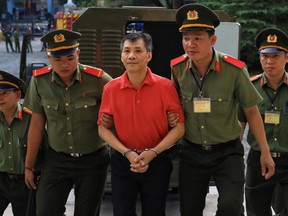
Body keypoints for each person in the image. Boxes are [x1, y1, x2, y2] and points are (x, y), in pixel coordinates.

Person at [170, 3, 275, 216]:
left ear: (213, 40)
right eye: (186, 38)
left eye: (198, 38)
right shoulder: (177, 68)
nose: (190, 44)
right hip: (191, 151)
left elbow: (252, 111)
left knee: (231, 206)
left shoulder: (234, 70)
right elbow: (173, 107)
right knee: (189, 209)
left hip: (227, 153)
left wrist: (265, 152)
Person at [23, 29, 113, 216]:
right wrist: (29, 165)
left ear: (78, 53)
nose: (64, 65)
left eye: (70, 58)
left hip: (93, 160)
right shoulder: (39, 81)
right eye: (58, 59)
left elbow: (119, 112)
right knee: (46, 211)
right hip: (57, 159)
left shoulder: (99, 80)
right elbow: (37, 124)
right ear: (48, 57)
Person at [97, 32, 185, 216]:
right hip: (123, 161)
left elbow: (179, 128)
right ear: (121, 56)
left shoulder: (166, 87)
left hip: (158, 160)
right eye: (127, 51)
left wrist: (153, 152)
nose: (131, 56)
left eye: (138, 51)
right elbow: (103, 129)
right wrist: (127, 152)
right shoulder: (111, 88)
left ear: (149, 56)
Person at [238, 28, 288, 216]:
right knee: (256, 211)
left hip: (287, 158)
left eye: (275, 56)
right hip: (258, 160)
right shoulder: (249, 87)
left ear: (286, 58)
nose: (269, 61)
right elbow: (240, 124)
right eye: (264, 55)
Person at [0, 70, 38, 216]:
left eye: (4, 93)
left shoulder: (33, 119)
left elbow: (48, 149)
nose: (0, 98)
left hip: (25, 182)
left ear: (17, 95)